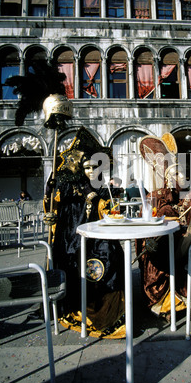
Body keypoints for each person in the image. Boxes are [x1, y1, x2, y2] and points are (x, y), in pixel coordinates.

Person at [44, 127, 126, 339]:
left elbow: (107, 212)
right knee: (77, 261)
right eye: (86, 167)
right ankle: (79, 307)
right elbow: (55, 207)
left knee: (113, 257)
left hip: (98, 238)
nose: (90, 171)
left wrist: (108, 205)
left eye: (94, 167)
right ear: (80, 168)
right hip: (73, 239)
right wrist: (51, 208)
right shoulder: (69, 187)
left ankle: (110, 312)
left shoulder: (101, 188)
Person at [136, 134, 191, 320]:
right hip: (166, 242)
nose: (182, 176)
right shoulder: (159, 195)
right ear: (167, 178)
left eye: (182, 172)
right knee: (156, 253)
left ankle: (184, 302)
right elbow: (148, 215)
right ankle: (165, 303)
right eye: (176, 173)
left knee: (171, 256)